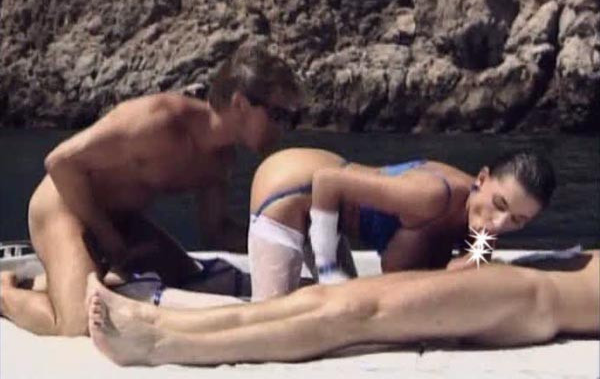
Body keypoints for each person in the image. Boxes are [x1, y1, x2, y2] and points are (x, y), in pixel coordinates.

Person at [0, 40, 303, 336]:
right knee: (77, 324)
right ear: (240, 103)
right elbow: (60, 163)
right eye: (278, 115)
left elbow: (217, 231)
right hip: (65, 206)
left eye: (292, 118)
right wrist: (110, 240)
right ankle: (4, 292)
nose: (283, 129)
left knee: (188, 278)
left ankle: (53, 282)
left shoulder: (220, 161)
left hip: (120, 221)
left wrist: (293, 236)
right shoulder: (158, 121)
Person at [86, 249, 600, 366]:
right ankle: (159, 320)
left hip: (528, 297)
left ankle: (161, 343)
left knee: (352, 314)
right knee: (324, 300)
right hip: (520, 288)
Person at [247, 147, 556, 300]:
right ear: (482, 179)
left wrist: (481, 249)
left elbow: (458, 277)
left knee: (339, 304)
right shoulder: (432, 195)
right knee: (271, 317)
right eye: (499, 204)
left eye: (517, 220)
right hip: (293, 188)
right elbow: (327, 181)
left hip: (330, 217)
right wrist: (327, 268)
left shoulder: (481, 225)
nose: (500, 223)